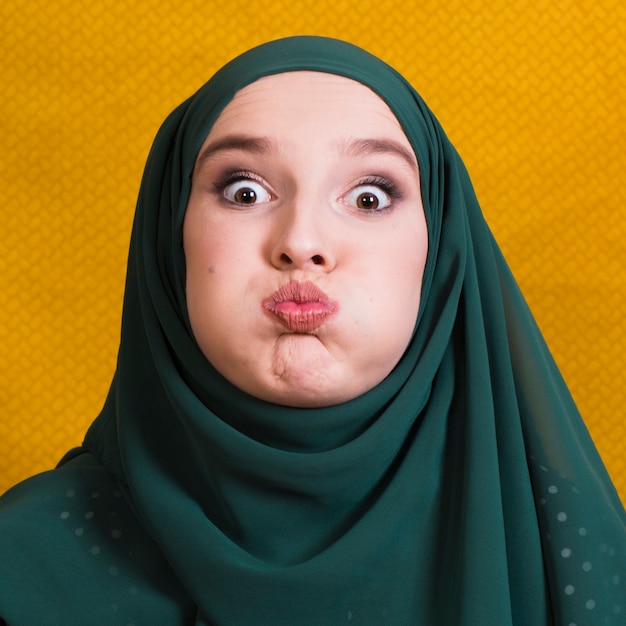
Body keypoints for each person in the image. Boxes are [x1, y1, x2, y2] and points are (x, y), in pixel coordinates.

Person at [0, 35, 623, 625]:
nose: (302, 243)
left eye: (370, 198)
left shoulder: (568, 553)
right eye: (244, 192)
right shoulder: (24, 563)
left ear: (439, 256)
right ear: (169, 240)